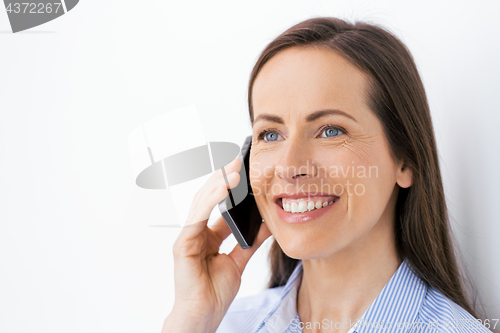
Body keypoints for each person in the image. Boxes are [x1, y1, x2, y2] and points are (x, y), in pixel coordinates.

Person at [161, 17, 493, 333]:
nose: (290, 167)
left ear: (405, 160)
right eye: (271, 134)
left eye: (331, 130)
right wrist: (190, 318)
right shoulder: (224, 324)